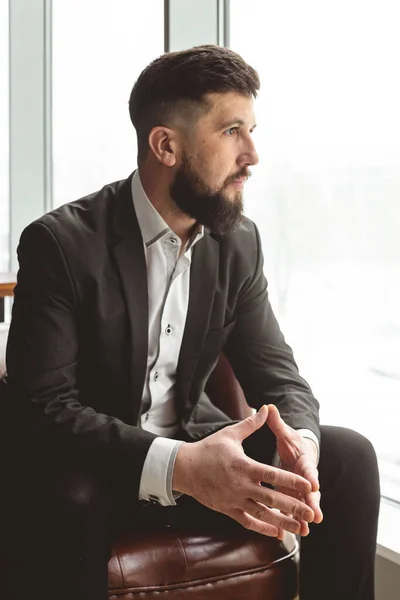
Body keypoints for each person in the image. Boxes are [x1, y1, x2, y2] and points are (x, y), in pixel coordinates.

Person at [1, 45, 380, 599]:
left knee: (349, 457)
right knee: (66, 497)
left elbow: (280, 376)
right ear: (166, 145)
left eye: (251, 131)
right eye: (232, 132)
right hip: (102, 467)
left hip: (198, 448)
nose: (252, 154)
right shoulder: (60, 245)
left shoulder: (237, 242)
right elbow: (44, 407)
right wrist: (180, 466)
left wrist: (301, 445)